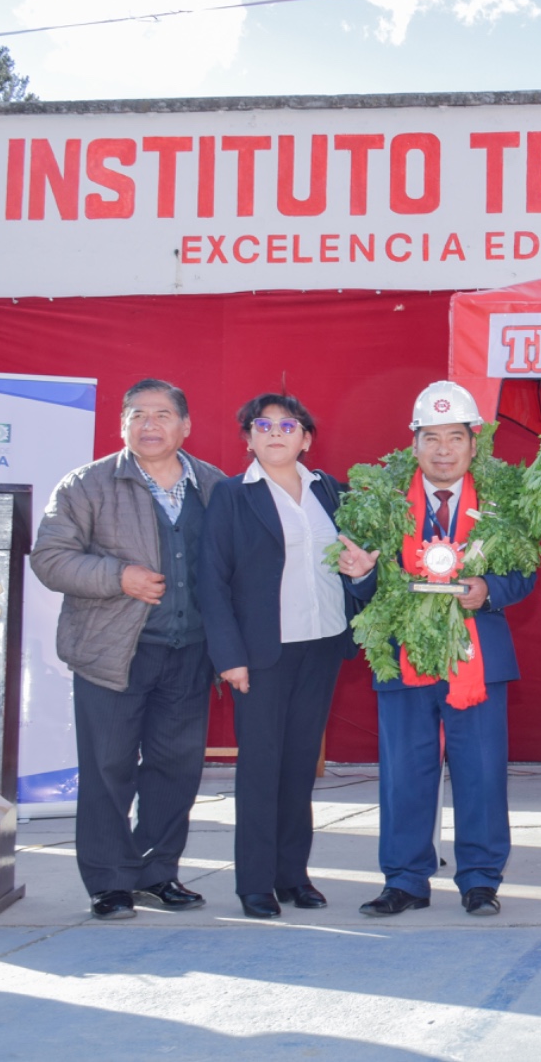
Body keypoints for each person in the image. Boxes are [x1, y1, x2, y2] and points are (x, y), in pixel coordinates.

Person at [32, 378, 227, 920]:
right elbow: (49, 558)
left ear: (185, 426)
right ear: (122, 425)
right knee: (108, 767)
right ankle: (109, 881)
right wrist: (119, 576)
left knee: (176, 768)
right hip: (112, 652)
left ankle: (157, 872)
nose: (149, 424)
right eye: (137, 414)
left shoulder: (214, 485)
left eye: (162, 414)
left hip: (190, 652)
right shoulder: (87, 485)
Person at [339, 381, 535, 918]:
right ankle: (404, 880)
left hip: (479, 657)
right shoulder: (380, 505)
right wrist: (360, 575)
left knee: (482, 771)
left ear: (474, 443)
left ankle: (479, 879)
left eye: (454, 437)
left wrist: (489, 589)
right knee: (405, 771)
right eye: (431, 438)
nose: (443, 449)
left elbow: (523, 573)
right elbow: (363, 583)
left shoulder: (503, 501)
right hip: (402, 657)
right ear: (414, 443)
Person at [199, 394, 362, 919]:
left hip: (321, 643)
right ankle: (255, 884)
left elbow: (353, 563)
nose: (274, 433)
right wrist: (229, 656)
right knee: (261, 769)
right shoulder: (231, 495)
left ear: (306, 437)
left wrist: (363, 572)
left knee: (298, 768)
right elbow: (212, 582)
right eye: (261, 425)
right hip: (262, 652)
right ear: (248, 438)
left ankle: (294, 876)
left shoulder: (330, 491)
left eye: (286, 425)